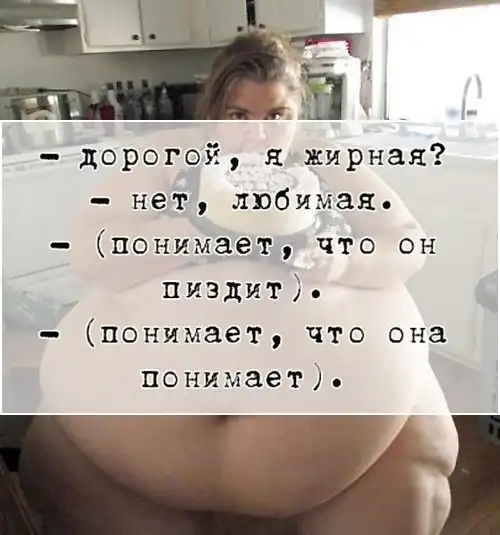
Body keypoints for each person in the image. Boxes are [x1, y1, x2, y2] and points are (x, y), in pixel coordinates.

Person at [19, 29, 458, 535]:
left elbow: (407, 242)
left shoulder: (328, 163)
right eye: (239, 116)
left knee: (413, 470)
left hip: (345, 452)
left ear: (298, 114)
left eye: (277, 117)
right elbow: (89, 250)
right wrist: (194, 229)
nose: (258, 136)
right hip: (131, 458)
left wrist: (342, 261)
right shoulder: (167, 157)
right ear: (214, 112)